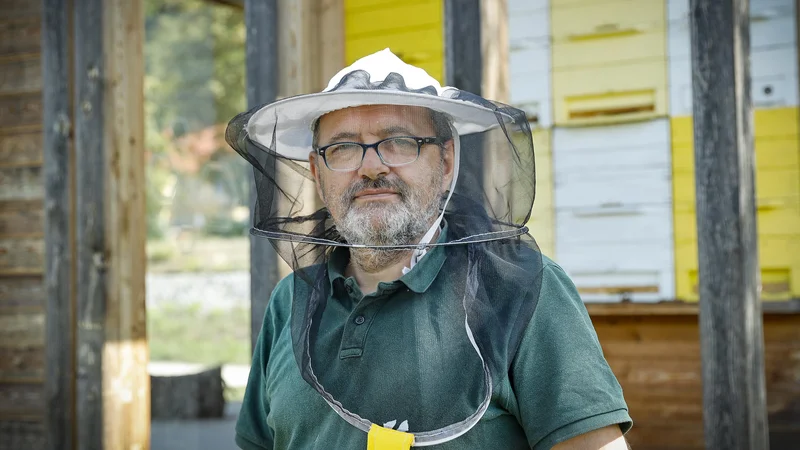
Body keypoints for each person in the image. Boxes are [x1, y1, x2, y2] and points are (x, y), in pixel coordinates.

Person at [226, 49, 632, 450]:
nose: (371, 168)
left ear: (447, 162)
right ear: (317, 172)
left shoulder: (518, 288)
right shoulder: (291, 300)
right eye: (344, 148)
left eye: (400, 142)